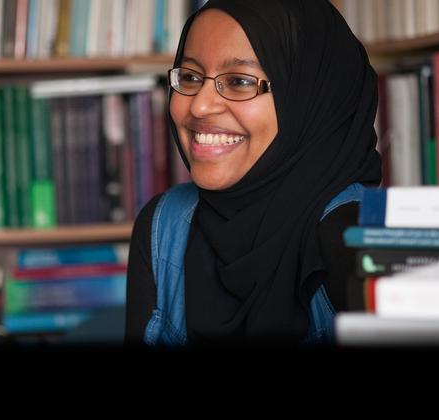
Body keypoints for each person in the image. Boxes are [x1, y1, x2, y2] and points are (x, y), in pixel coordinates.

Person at [125, 0, 381, 347]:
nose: (199, 105)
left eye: (240, 81)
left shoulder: (354, 237)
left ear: (307, 99)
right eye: (189, 76)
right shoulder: (163, 226)